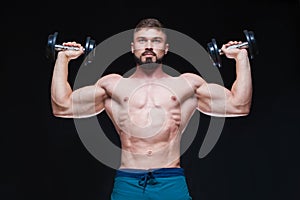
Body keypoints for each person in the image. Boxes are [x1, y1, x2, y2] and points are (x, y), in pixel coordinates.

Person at [50, 18, 252, 200]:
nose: (148, 46)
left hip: (171, 182)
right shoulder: (112, 85)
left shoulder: (187, 85)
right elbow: (63, 106)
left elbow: (238, 105)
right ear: (132, 47)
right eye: (142, 41)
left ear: (166, 48)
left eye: (156, 41)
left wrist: (241, 57)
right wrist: (63, 59)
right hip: (128, 183)